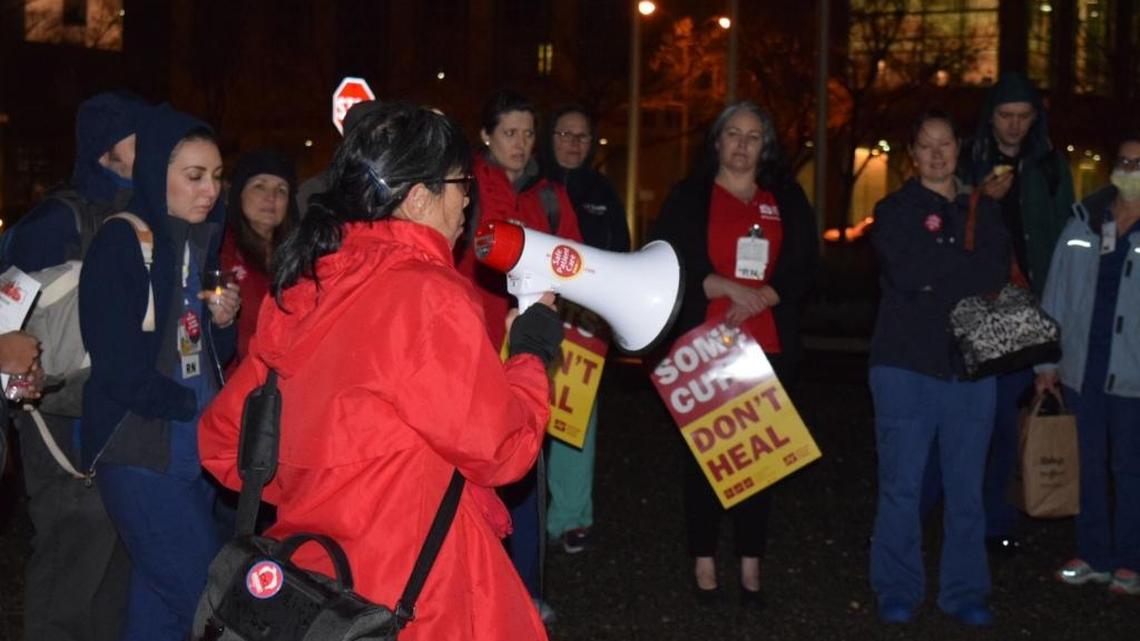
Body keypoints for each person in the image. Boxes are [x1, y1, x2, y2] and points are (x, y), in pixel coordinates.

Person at [199, 102, 562, 640]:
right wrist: (530, 354)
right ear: (418, 198)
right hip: (420, 595)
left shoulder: (304, 288)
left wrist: (329, 486)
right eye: (461, 183)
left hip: (319, 587)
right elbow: (503, 450)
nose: (469, 198)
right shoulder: (427, 295)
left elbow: (226, 445)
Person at [78, 105, 238, 640]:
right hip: (141, 453)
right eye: (194, 176)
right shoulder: (123, 243)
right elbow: (119, 369)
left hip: (193, 457)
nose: (209, 190)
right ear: (155, 175)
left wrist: (223, 321)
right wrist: (194, 407)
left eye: (216, 176)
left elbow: (206, 352)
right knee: (210, 601)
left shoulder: (203, 241)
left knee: (162, 610)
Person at [649, 101, 818, 607]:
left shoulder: (784, 196)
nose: (742, 145)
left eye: (753, 137)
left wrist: (767, 294)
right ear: (717, 142)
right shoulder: (690, 195)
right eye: (733, 135)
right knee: (703, 459)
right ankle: (703, 561)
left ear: (764, 146)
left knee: (759, 459)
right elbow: (665, 256)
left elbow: (806, 262)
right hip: (704, 345)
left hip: (766, 345)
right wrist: (720, 284)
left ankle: (751, 563)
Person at [0, 91, 144, 641]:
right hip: (58, 416)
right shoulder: (54, 222)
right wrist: (19, 390)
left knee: (111, 568)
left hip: (115, 414)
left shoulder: (141, 215)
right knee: (70, 564)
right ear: (108, 151)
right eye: (137, 142)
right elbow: (6, 319)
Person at [868, 110, 1009, 626]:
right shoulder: (893, 209)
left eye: (945, 144)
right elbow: (906, 273)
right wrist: (956, 269)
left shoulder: (984, 210)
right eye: (925, 145)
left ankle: (965, 591)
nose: (936, 154)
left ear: (958, 149)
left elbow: (993, 274)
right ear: (912, 154)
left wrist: (940, 269)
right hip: (905, 364)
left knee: (966, 487)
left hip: (971, 366)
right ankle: (897, 588)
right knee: (901, 486)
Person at [456, 89, 582, 622]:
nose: (521, 143)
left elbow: (575, 257)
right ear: (486, 135)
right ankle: (470, 586)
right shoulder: (464, 188)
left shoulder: (549, 193)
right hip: (472, 346)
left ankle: (525, 590)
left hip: (527, 349)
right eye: (509, 132)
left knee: (526, 467)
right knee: (472, 472)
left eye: (529, 134)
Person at [956, 71, 1075, 554]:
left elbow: (1066, 244)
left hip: (1029, 310)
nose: (1014, 126)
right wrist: (980, 195)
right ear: (991, 117)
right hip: (978, 309)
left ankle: (994, 519)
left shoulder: (1048, 166)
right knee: (974, 421)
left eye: (1024, 117)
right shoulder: (970, 161)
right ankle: (969, 516)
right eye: (1006, 115)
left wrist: (1056, 330)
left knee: (1007, 420)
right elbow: (948, 225)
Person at [1038, 132, 1140, 597]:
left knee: (1131, 467)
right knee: (1088, 465)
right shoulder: (1085, 219)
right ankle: (1094, 554)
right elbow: (1056, 291)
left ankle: (1130, 560)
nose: (1128, 170)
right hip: (1084, 366)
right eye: (1122, 160)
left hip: (1133, 372)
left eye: (1137, 163)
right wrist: (1046, 360)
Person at [537, 104, 630, 555]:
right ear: (548, 137)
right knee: (526, 413)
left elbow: (621, 251)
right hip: (535, 313)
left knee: (576, 424)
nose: (573, 143)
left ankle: (571, 518)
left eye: (582, 137)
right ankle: (525, 516)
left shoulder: (602, 191)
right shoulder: (534, 183)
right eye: (564, 133)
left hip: (585, 322)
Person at [219, 148, 299, 372]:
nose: (271, 198)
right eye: (259, 186)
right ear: (239, 193)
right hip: (237, 383)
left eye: (281, 190)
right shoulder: (218, 252)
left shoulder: (299, 257)